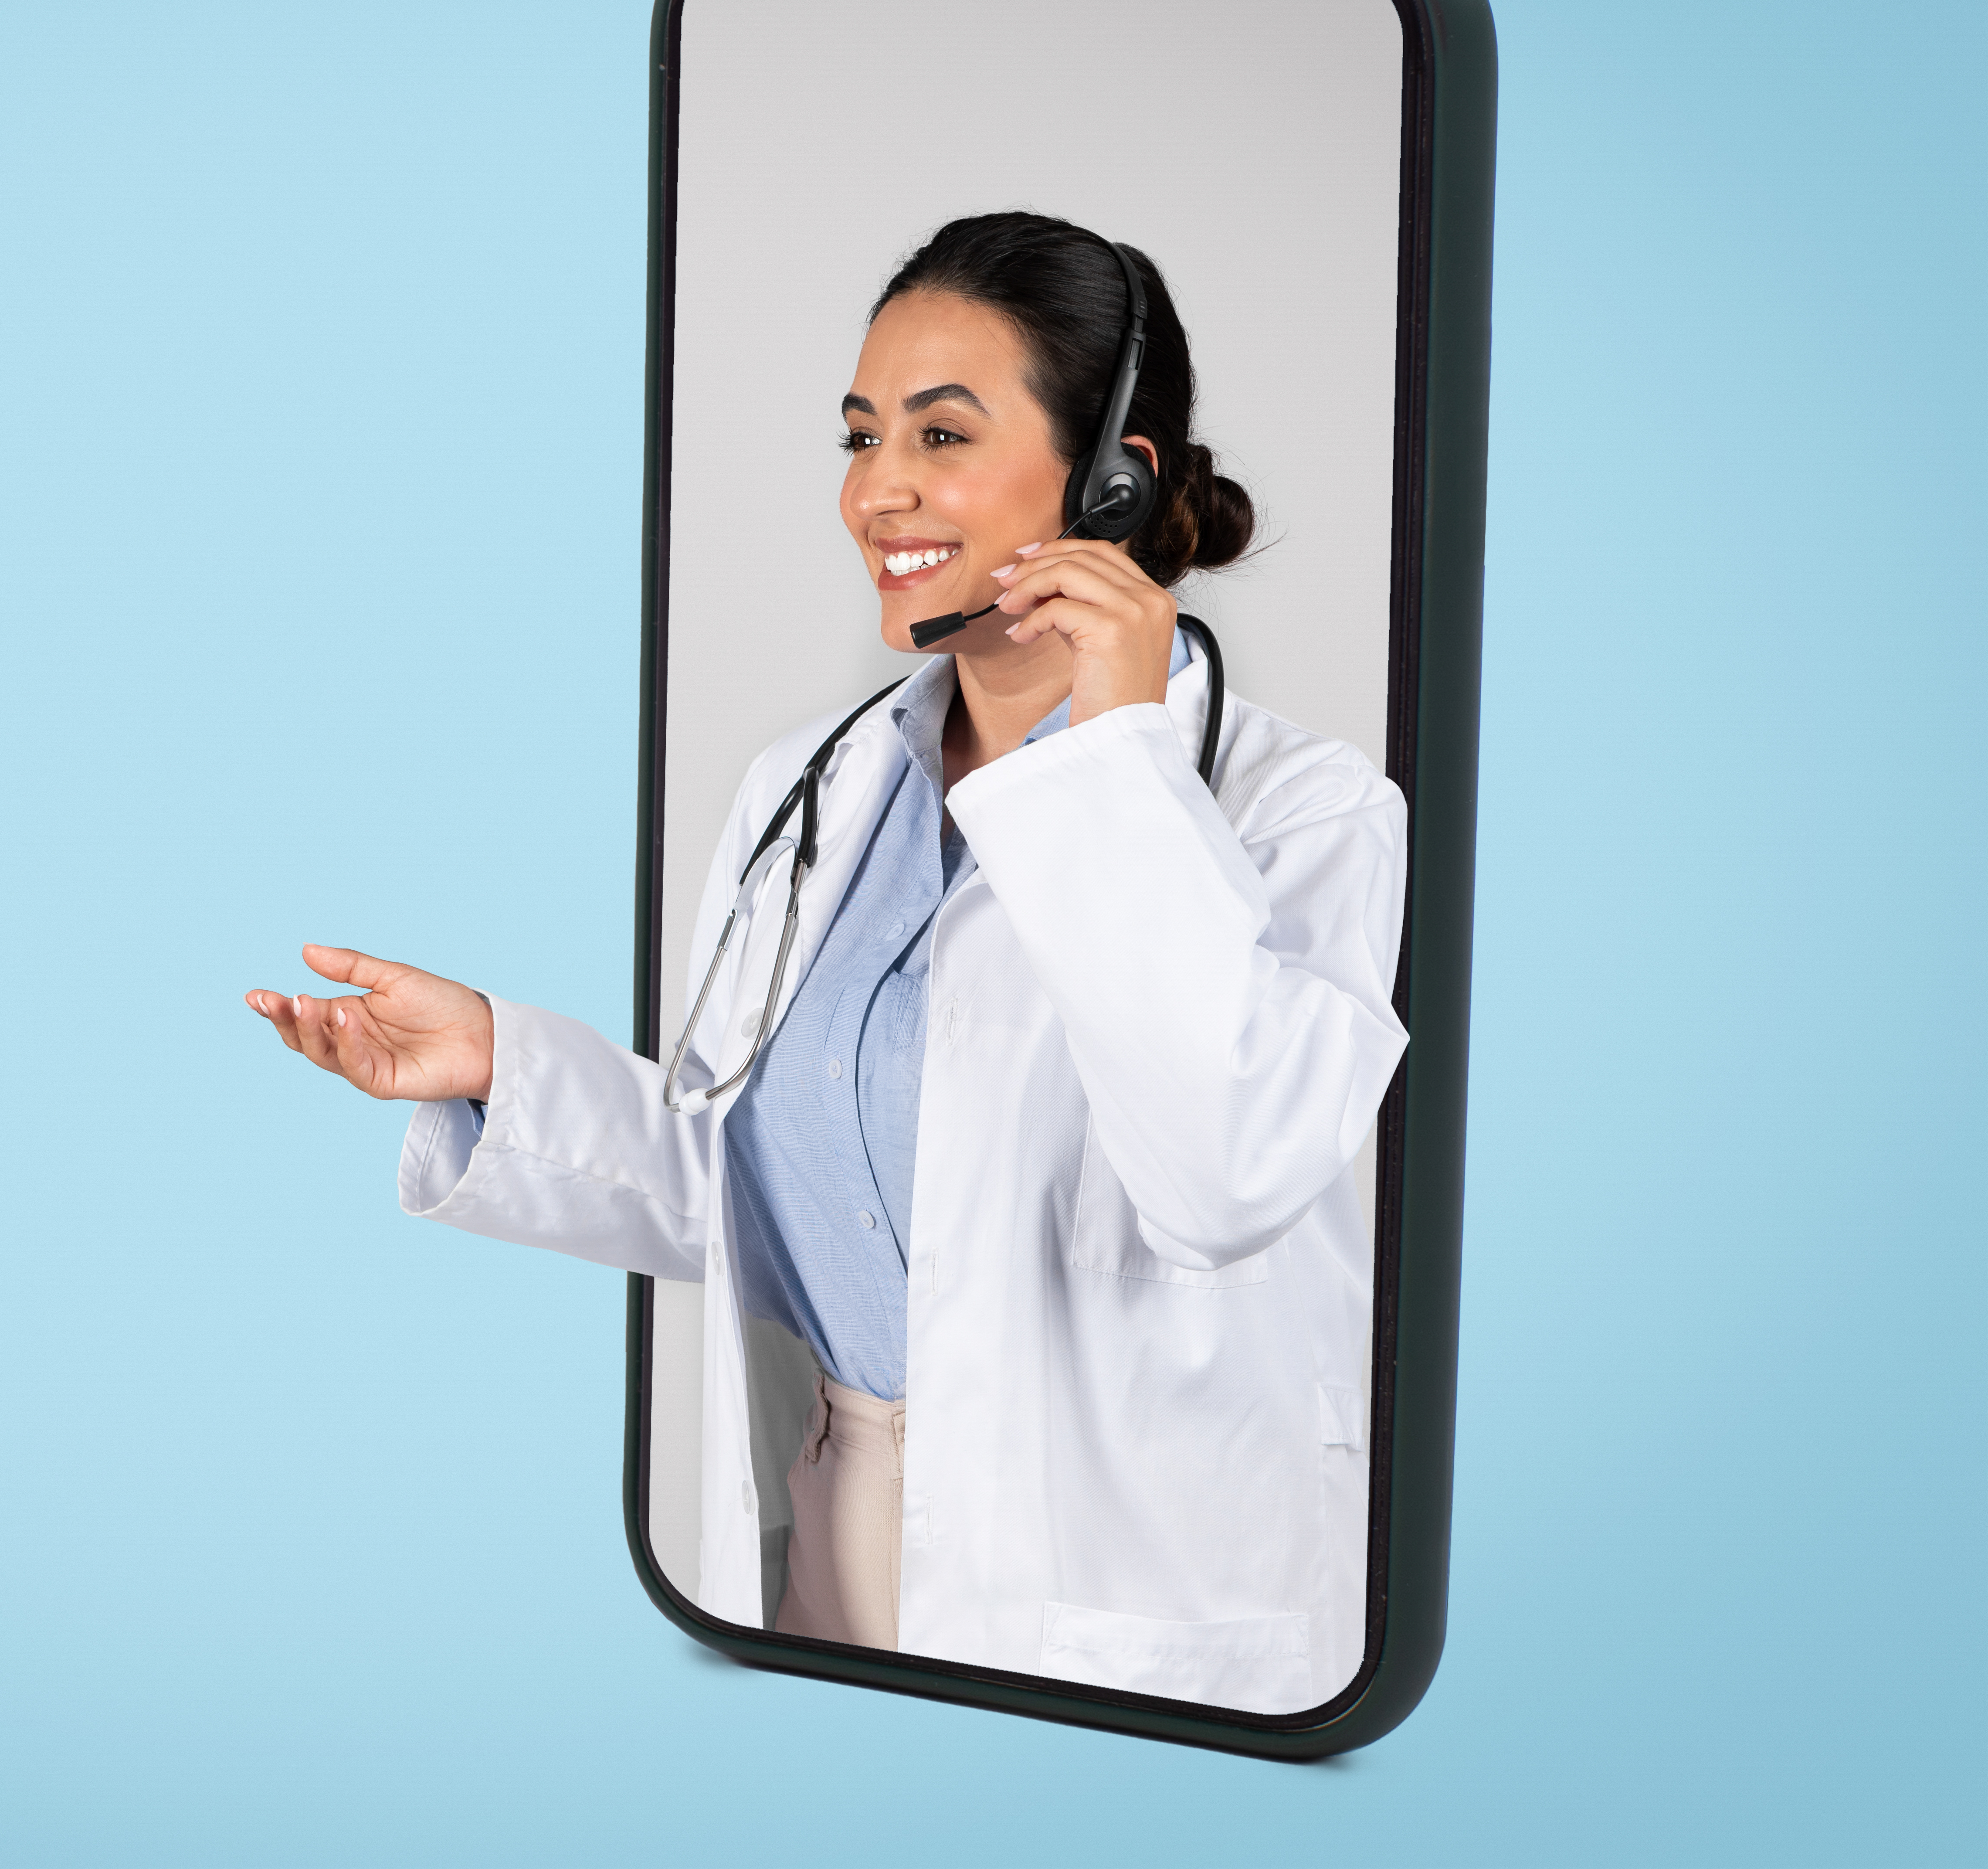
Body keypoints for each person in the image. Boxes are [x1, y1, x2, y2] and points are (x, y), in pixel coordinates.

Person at [244, 212, 1408, 1716]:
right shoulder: (818, 787)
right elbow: (759, 1198)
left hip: (1131, 1582)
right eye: (861, 435)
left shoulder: (1301, 816)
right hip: (833, 1552)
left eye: (940, 432)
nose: (877, 491)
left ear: (1113, 474)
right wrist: (499, 1063)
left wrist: (1115, 758)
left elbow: (1224, 1174)